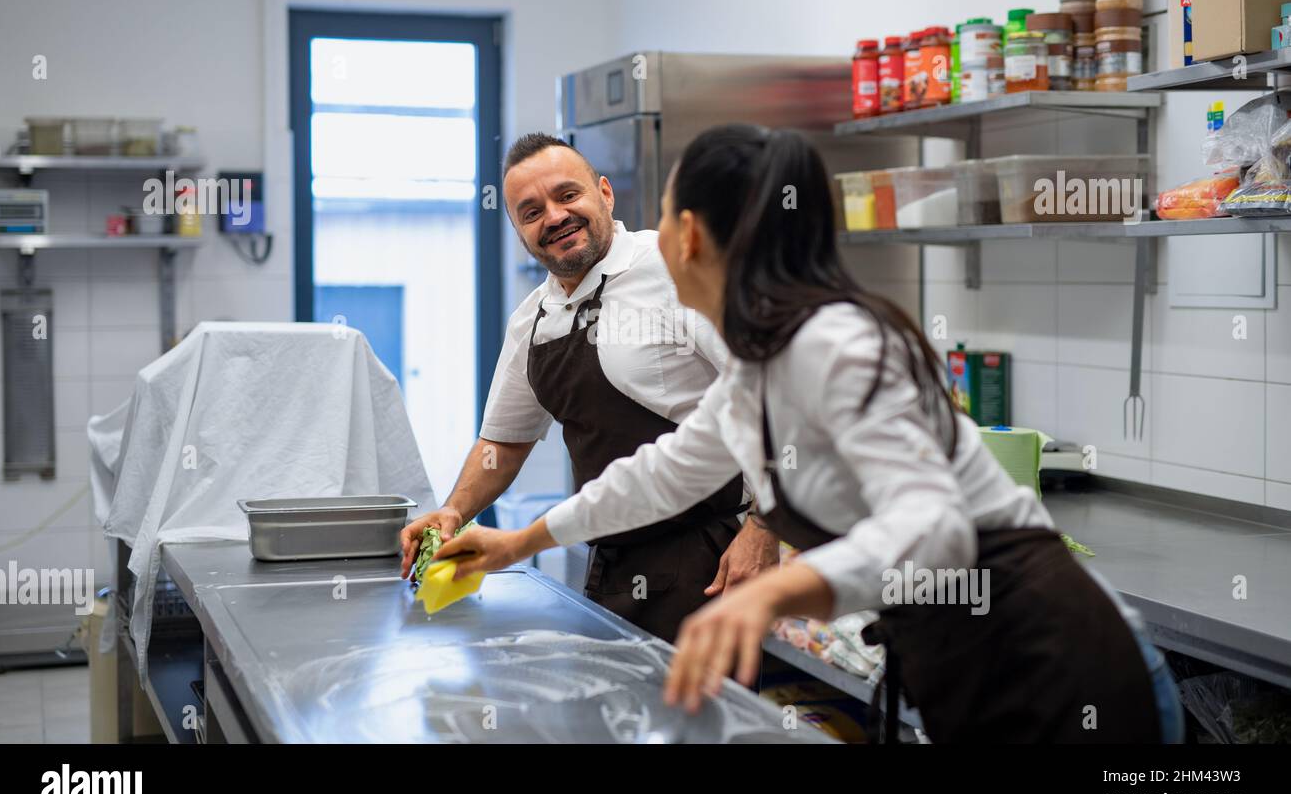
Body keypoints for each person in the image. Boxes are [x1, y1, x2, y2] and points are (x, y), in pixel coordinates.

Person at [431, 124, 1185, 744]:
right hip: (963, 665)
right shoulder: (760, 367)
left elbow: (933, 524)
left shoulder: (835, 341)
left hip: (1058, 659)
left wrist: (767, 594)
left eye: (661, 215)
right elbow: (660, 473)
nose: (649, 236)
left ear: (690, 236)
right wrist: (518, 541)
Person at [398, 133, 778, 644]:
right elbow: (503, 443)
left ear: (605, 193)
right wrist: (454, 511)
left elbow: (772, 391)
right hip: (609, 561)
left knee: (699, 720)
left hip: (708, 559)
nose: (553, 217)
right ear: (519, 232)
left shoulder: (674, 269)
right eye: (530, 212)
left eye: (567, 195)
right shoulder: (532, 320)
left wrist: (764, 528)